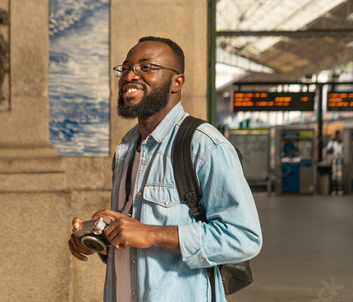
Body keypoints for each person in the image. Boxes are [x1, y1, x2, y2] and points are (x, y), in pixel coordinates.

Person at [68, 36, 262, 302]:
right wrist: (101, 239)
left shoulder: (204, 145)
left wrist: (152, 234)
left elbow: (243, 237)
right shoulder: (126, 149)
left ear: (176, 82)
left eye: (146, 67)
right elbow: (136, 242)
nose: (129, 76)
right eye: (125, 68)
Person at [326, 130, 343, 195]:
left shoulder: (341, 142)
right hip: (333, 161)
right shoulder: (332, 142)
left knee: (339, 177)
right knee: (334, 176)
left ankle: (339, 189)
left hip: (340, 162)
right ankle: (333, 190)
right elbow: (328, 151)